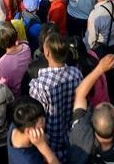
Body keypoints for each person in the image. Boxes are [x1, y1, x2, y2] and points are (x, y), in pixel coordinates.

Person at [28, 32, 82, 162]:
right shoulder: (77, 74)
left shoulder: (39, 85)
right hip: (73, 138)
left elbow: (36, 120)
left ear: (47, 53)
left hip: (50, 144)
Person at [7, 97, 60, 164]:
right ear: (29, 131)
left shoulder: (15, 126)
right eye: (41, 121)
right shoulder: (29, 160)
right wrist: (43, 146)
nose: (45, 121)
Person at [0, 22, 32, 97]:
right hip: (29, 88)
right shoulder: (26, 47)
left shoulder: (2, 63)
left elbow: (1, 85)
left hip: (16, 96)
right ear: (15, 34)